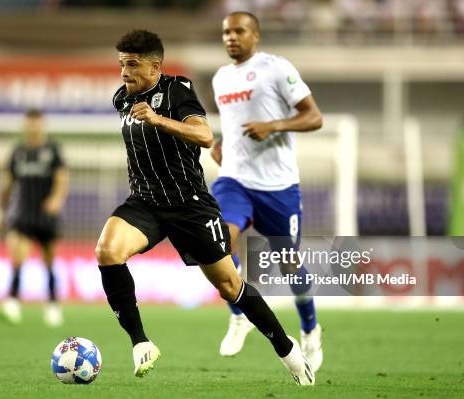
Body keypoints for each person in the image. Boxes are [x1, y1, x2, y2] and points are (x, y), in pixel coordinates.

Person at [97, 29, 314, 385]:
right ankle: (140, 343)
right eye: (121, 64)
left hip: (190, 206)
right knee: (107, 251)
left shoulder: (176, 90)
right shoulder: (122, 98)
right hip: (145, 202)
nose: (124, 73)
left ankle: (285, 347)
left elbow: (204, 136)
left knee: (230, 287)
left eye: (132, 65)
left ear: (155, 67)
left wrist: (157, 119)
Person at [210, 11, 324, 371]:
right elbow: (233, 125)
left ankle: (310, 328)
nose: (231, 37)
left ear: (255, 35)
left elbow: (313, 116)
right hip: (234, 180)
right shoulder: (220, 77)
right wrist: (220, 144)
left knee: (290, 265)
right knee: (218, 242)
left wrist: (273, 125)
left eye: (239, 31)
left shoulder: (277, 68)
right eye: (226, 31)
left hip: (278, 187)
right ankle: (239, 314)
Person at [0, 109, 69, 327]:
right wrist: (0, 210)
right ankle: (13, 303)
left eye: (37, 123)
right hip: (23, 213)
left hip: (46, 214)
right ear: (25, 126)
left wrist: (55, 199)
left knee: (49, 261)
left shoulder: (53, 150)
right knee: (17, 257)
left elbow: (62, 179)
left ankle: (53, 305)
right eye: (30, 123)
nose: (33, 127)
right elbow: (6, 184)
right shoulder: (18, 151)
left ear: (42, 125)